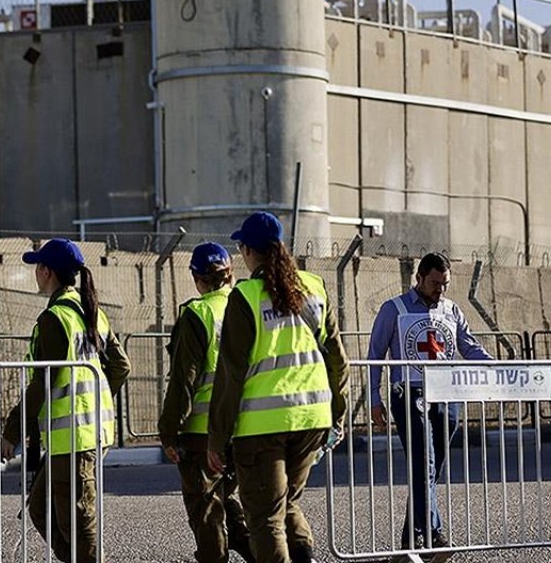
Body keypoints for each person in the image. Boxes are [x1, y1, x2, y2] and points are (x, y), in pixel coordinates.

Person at [206, 212, 349, 563]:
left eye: (240, 246)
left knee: (265, 517)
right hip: (312, 418)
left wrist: (217, 439)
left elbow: (230, 375)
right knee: (286, 503)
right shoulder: (313, 287)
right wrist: (338, 416)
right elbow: (338, 360)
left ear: (250, 251)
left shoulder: (247, 296)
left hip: (263, 425)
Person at [0, 239, 131, 563]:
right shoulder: (90, 311)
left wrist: (12, 431)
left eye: (37, 267)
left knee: (77, 520)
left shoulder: (55, 317)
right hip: (82, 434)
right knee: (42, 508)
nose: (35, 273)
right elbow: (120, 366)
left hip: (73, 437)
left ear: (47, 272)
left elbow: (44, 382)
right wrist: (97, 402)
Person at [367, 252, 494, 550]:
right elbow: (374, 356)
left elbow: (468, 346)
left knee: (433, 466)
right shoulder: (393, 309)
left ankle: (411, 536)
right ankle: (433, 533)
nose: (441, 289)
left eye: (445, 284)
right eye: (435, 283)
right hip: (409, 394)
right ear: (419, 278)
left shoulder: (451, 310)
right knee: (424, 461)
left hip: (447, 395)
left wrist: (498, 368)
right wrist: (374, 398)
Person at [159, 242, 253, 563]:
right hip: (246, 426)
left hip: (203, 431)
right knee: (227, 496)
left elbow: (185, 380)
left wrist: (169, 431)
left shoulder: (198, 314)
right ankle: (257, 551)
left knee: (207, 508)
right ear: (230, 275)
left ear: (197, 279)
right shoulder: (250, 307)